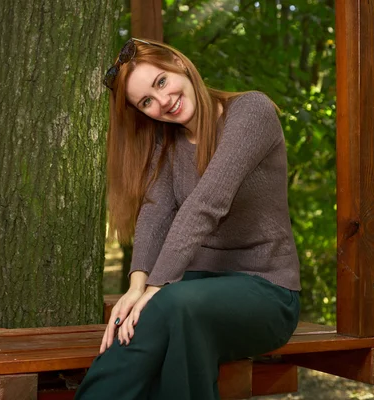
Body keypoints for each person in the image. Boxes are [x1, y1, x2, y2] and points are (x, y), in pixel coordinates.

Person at [75, 38, 301, 400]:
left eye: (160, 83)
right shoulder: (166, 142)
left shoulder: (251, 112)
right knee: (134, 323)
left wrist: (155, 288)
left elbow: (206, 204)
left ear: (179, 64)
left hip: (266, 292)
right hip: (190, 290)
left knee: (171, 304)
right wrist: (136, 287)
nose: (162, 102)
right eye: (146, 102)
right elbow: (155, 212)